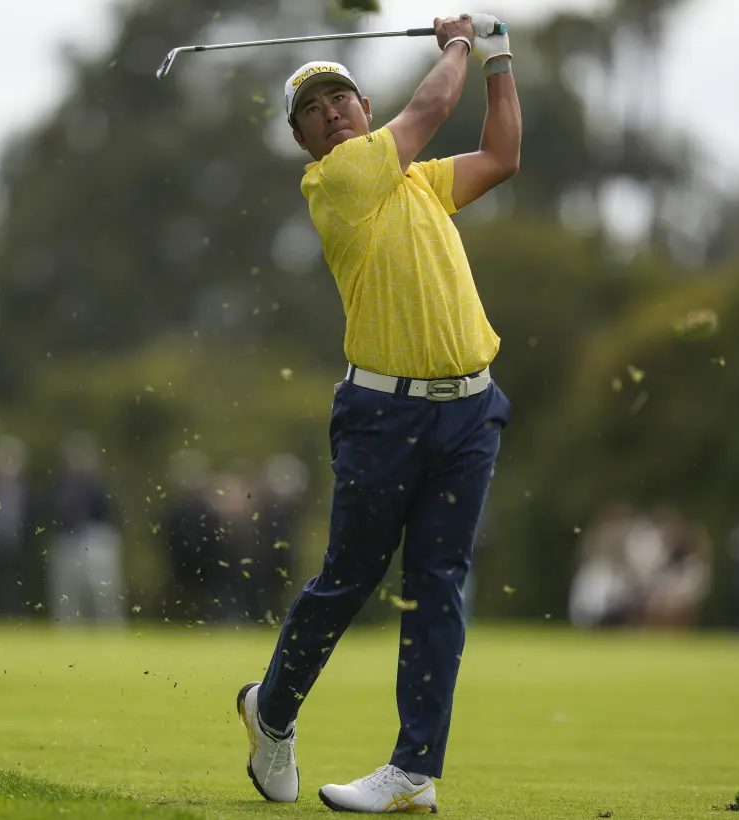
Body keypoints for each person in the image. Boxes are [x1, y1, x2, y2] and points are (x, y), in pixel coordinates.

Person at [236, 13, 520, 814]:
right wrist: (461, 42)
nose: (332, 111)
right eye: (313, 109)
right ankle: (274, 714)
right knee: (349, 580)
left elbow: (502, 156)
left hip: (470, 413)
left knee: (438, 588)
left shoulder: (419, 182)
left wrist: (500, 58)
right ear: (304, 139)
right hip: (382, 418)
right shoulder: (337, 181)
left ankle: (413, 773)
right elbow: (427, 110)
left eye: (341, 97)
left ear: (363, 104)